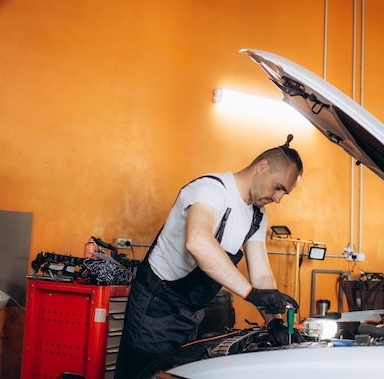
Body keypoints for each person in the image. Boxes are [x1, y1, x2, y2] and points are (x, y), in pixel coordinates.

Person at [115, 135, 303, 379]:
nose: (278, 198)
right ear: (262, 167)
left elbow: (262, 275)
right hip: (156, 306)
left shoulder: (257, 216)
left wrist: (275, 320)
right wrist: (250, 294)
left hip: (191, 311)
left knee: (176, 375)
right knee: (143, 374)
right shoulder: (211, 190)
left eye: (284, 194)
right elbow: (198, 242)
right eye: (278, 187)